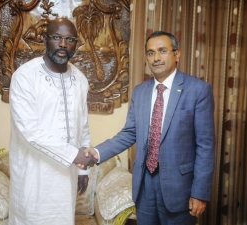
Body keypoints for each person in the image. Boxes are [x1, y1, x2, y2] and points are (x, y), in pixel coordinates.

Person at [84, 31, 215, 224]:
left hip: (179, 189)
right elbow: (129, 133)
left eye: (162, 51)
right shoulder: (140, 91)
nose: (156, 58)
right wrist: (96, 153)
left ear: (176, 54)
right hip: (144, 185)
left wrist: (200, 193)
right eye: (151, 53)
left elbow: (206, 146)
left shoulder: (198, 90)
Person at [8, 17, 96, 225]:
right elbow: (29, 131)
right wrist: (74, 155)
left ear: (76, 44)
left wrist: (82, 170)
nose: (63, 44)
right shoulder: (25, 76)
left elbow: (82, 125)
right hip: (34, 175)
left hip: (67, 176)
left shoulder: (80, 79)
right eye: (57, 38)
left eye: (70, 39)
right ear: (46, 40)